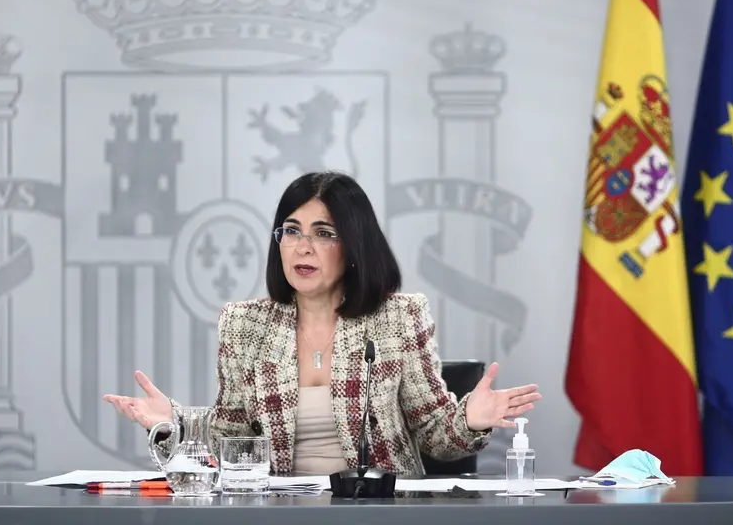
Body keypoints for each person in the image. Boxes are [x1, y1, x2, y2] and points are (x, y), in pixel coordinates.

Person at [105, 171, 540, 475]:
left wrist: (471, 419)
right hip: (276, 515)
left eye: (324, 233)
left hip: (380, 515)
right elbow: (231, 441)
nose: (303, 247)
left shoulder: (398, 318)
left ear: (353, 247)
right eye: (291, 231)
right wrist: (175, 424)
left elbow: (434, 435)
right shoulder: (244, 325)